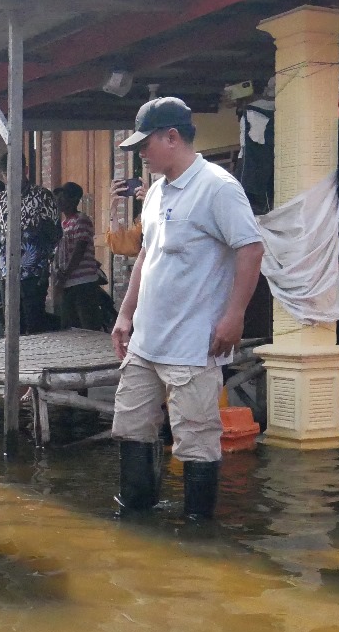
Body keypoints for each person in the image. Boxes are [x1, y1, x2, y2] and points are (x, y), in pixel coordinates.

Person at [109, 97, 263, 520]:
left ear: (172, 137)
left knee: (196, 441)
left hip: (194, 344)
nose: (141, 153)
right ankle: (137, 520)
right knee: (131, 427)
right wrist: (125, 315)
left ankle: (197, 533)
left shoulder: (218, 187)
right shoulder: (156, 191)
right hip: (146, 341)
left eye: (146, 144)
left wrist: (235, 316)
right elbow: (145, 255)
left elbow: (250, 249)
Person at [0, 157, 62, 334]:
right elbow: (0, 233)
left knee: (34, 324)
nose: (13, 176)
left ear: (26, 170)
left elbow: (55, 234)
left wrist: (46, 264)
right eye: (8, 173)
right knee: (12, 325)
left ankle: (35, 362)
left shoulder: (43, 196)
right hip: (7, 272)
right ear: (3, 175)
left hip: (34, 271)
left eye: (17, 171)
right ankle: (14, 362)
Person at [53, 182, 107, 331]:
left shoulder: (81, 220)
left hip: (83, 282)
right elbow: (58, 251)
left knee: (88, 325)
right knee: (70, 325)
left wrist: (66, 273)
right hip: (67, 282)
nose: (59, 201)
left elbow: (79, 250)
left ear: (74, 200)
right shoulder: (63, 224)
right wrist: (57, 270)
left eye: (63, 197)